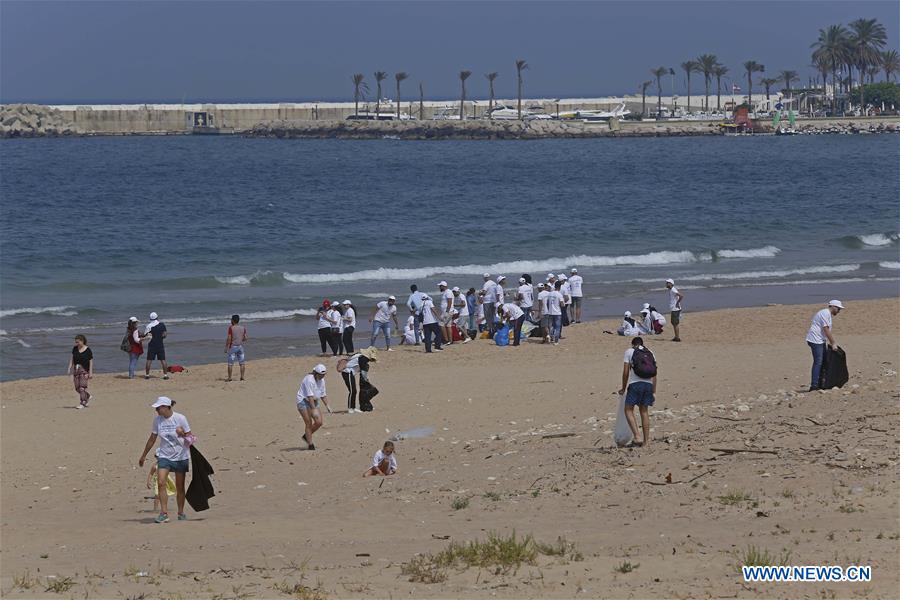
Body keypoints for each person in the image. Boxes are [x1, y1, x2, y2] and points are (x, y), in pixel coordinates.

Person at [138, 396, 192, 523]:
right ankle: (164, 513)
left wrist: (182, 434)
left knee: (180, 486)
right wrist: (143, 455)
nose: (156, 410)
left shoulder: (180, 418)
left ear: (167, 407)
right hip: (164, 456)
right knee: (161, 482)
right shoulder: (157, 421)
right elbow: (152, 438)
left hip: (180, 456)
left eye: (159, 407)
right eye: (156, 407)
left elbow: (191, 439)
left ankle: (181, 512)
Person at [618, 337, 657, 447]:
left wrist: (623, 388)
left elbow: (625, 372)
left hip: (635, 384)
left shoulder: (629, 351)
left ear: (632, 344)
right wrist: (654, 391)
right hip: (648, 385)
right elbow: (654, 374)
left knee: (628, 409)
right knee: (644, 411)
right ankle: (646, 441)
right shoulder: (650, 352)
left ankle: (637, 436)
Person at [806, 300, 843, 392]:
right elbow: (826, 330)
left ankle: (821, 383)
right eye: (838, 309)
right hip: (815, 340)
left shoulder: (828, 315)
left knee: (824, 361)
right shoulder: (825, 313)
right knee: (818, 362)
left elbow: (825, 331)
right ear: (833, 307)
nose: (839, 311)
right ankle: (814, 386)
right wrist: (833, 343)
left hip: (820, 340)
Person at [296, 364, 330, 450]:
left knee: (319, 422)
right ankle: (310, 445)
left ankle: (307, 435)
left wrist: (327, 405)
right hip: (303, 401)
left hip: (314, 401)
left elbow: (323, 394)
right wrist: (314, 410)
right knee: (309, 423)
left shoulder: (322, 381)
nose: (322, 376)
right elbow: (309, 396)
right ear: (316, 373)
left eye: (324, 375)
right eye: (321, 375)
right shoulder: (309, 380)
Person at [342, 347, 376, 413]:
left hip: (350, 373)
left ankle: (353, 407)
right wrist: (367, 380)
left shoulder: (360, 356)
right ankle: (351, 408)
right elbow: (363, 373)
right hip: (347, 372)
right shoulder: (363, 359)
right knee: (352, 390)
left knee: (354, 390)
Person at [67, 334, 93, 409]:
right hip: (76, 369)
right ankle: (87, 396)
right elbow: (72, 359)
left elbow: (91, 361)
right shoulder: (75, 349)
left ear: (82, 341)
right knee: (77, 388)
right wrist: (69, 368)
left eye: (78, 342)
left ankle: (82, 403)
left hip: (84, 370)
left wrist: (90, 372)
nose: (76, 343)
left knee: (82, 387)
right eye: (76, 342)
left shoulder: (88, 350)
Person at [144, 312, 169, 380]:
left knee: (149, 360)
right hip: (160, 344)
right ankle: (165, 375)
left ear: (150, 318)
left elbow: (146, 335)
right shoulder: (162, 324)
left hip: (152, 344)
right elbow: (165, 335)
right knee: (163, 360)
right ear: (157, 317)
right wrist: (160, 337)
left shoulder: (148, 326)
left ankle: (147, 375)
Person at [224, 314, 248, 381]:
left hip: (233, 347)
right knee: (242, 363)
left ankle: (229, 378)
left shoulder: (231, 328)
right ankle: (242, 377)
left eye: (231, 319)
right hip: (240, 347)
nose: (230, 320)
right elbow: (246, 338)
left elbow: (229, 338)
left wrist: (226, 347)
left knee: (230, 363)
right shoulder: (243, 328)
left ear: (233, 320)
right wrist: (240, 340)